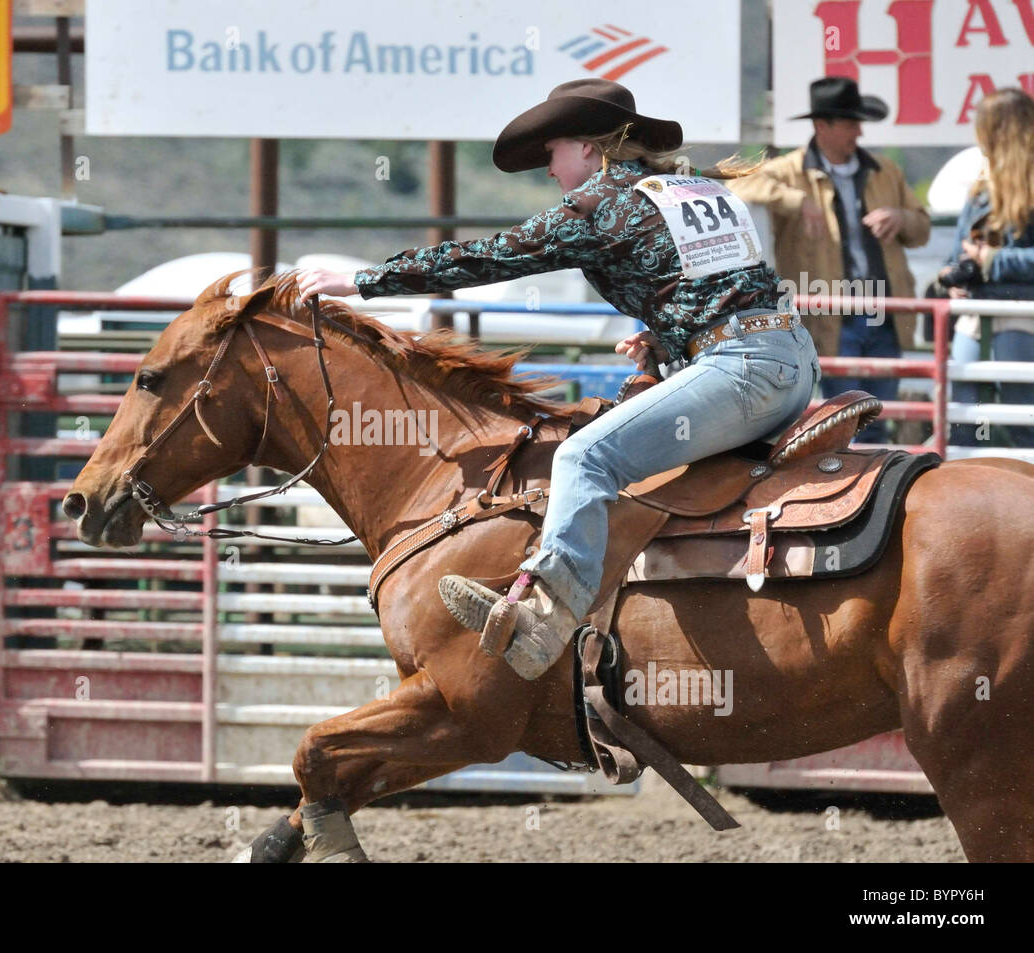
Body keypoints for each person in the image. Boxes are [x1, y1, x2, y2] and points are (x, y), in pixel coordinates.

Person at [296, 79, 820, 680]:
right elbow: (727, 285)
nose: (548, 170)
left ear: (591, 150)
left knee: (583, 460)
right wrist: (669, 335)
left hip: (742, 369)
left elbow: (488, 256)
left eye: (552, 152)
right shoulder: (689, 187)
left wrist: (363, 281)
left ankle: (547, 616)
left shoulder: (602, 202)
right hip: (786, 360)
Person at [728, 76, 930, 444]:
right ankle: (853, 489)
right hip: (832, 318)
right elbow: (738, 185)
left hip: (881, 312)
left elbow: (922, 229)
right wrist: (796, 200)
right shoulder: (789, 171)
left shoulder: (885, 170)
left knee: (878, 415)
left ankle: (871, 490)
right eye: (851, 123)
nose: (859, 132)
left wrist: (901, 218)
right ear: (823, 126)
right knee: (845, 418)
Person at [940, 88, 1034, 450]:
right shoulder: (979, 187)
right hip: (975, 317)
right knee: (966, 421)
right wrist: (953, 277)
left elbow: (987, 258)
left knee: (1024, 421)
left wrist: (991, 262)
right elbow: (956, 253)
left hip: (1020, 318)